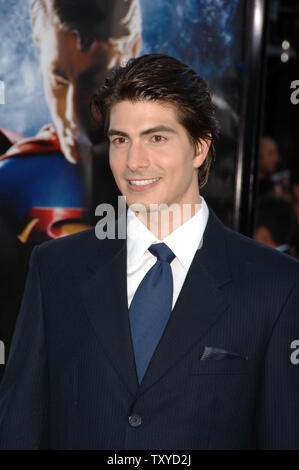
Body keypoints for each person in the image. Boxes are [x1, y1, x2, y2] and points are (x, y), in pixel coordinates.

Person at [0, 54, 298, 450]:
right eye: (120, 139)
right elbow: (19, 425)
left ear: (199, 148)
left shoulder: (275, 284)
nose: (133, 162)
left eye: (156, 137)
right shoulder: (55, 268)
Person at [0, 0, 141, 244]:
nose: (72, 114)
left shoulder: (185, 173)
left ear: (133, 52)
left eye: (93, 81)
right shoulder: (12, 182)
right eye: (59, 80)